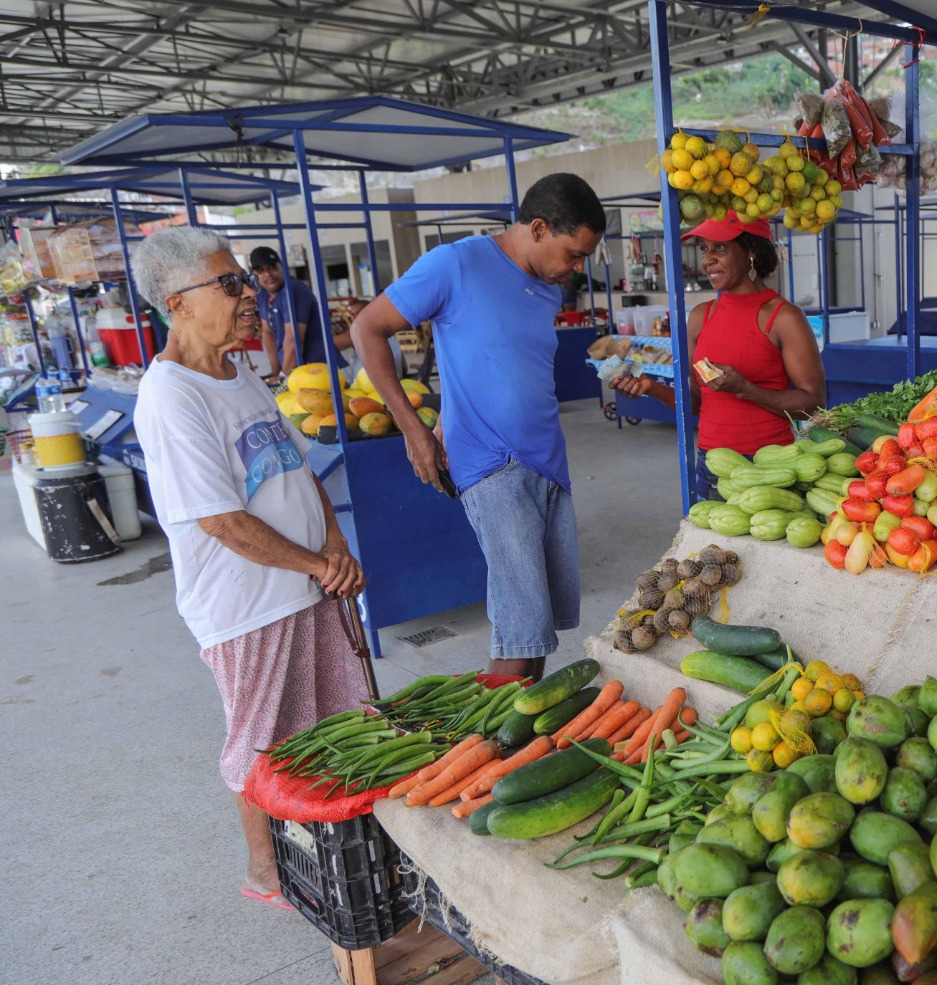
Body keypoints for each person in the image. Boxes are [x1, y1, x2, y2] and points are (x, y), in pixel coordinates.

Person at [130, 227, 366, 910]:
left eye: (242, 282)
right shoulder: (171, 396)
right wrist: (318, 565)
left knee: (334, 722)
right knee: (262, 741)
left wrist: (336, 545)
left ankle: (327, 844)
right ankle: (266, 870)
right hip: (247, 605)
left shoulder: (240, 372)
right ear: (178, 302)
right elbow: (221, 521)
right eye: (228, 284)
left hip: (309, 583)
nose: (247, 296)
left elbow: (297, 467)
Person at [351, 173, 605, 681]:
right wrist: (413, 430)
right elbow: (367, 327)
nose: (577, 269)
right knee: (517, 628)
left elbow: (489, 359)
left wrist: (447, 415)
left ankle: (518, 733)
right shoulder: (456, 263)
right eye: (574, 254)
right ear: (538, 228)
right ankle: (489, 749)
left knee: (536, 628)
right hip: (493, 465)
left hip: (548, 463)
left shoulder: (546, 289)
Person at [613, 210, 825, 501]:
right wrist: (652, 388)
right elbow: (696, 401)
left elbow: (813, 404)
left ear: (751, 252)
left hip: (772, 468)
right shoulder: (701, 317)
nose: (707, 259)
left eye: (720, 247)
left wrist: (746, 390)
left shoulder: (783, 317)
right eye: (704, 249)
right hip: (712, 466)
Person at [250, 246, 333, 382]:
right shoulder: (263, 294)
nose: (268, 274)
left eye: (272, 268)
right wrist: (275, 372)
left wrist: (282, 379)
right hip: (292, 372)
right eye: (261, 271)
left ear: (281, 267)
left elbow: (293, 339)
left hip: (317, 371)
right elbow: (268, 333)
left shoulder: (294, 291)